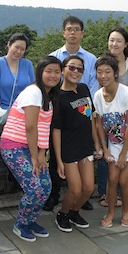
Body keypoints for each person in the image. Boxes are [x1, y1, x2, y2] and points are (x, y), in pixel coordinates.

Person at [0, 56, 62, 242]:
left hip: (31, 148)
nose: (53, 75)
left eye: (57, 72)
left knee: (46, 186)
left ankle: (30, 220)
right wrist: (35, 157)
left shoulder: (47, 97)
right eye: (48, 71)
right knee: (35, 188)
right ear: (40, 72)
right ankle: (21, 224)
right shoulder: (34, 92)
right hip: (14, 146)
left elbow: (43, 128)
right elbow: (30, 127)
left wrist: (42, 154)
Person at [45, 16, 98, 211]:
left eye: (76, 29)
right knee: (56, 161)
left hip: (82, 109)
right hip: (60, 111)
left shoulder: (91, 59)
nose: (73, 32)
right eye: (69, 29)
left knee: (85, 184)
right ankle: (54, 196)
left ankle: (79, 201)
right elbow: (48, 82)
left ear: (82, 33)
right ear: (63, 32)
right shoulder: (54, 56)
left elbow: (93, 85)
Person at [93, 54, 128, 228]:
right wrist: (105, 148)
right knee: (112, 179)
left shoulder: (126, 93)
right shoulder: (98, 96)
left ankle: (126, 212)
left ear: (115, 73)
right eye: (99, 72)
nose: (103, 76)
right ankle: (110, 212)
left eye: (107, 71)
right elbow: (99, 124)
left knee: (124, 180)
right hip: (115, 142)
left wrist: (124, 154)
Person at [52, 56, 100, 233]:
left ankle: (74, 212)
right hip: (69, 149)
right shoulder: (57, 97)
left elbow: (90, 119)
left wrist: (97, 144)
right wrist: (58, 160)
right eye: (72, 67)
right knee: (75, 189)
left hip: (85, 147)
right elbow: (56, 130)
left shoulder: (84, 89)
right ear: (63, 69)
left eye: (80, 69)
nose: (75, 72)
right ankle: (63, 214)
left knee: (88, 188)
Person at [98, 27, 128, 208]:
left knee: (122, 157)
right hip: (107, 115)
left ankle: (118, 194)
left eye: (119, 40)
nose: (114, 44)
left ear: (126, 44)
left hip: (126, 118)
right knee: (106, 156)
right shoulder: (102, 62)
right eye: (112, 40)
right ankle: (104, 193)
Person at [0, 33, 35, 159]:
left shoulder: (27, 64)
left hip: (23, 115)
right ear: (9, 45)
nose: (18, 51)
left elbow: (33, 89)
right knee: (0, 153)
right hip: (5, 113)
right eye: (16, 47)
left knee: (21, 154)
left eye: (22, 49)